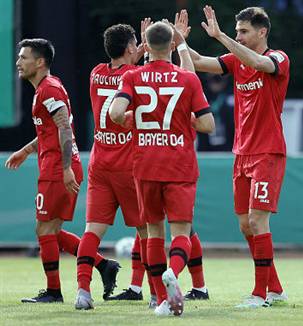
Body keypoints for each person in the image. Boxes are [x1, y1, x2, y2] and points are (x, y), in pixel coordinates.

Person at [181, 6, 289, 308]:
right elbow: (199, 63)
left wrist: (221, 36)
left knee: (257, 221)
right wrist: (178, 42)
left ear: (262, 31)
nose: (239, 35)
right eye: (237, 30)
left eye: (244, 31)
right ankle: (276, 288)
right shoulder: (235, 61)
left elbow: (257, 61)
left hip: (268, 151)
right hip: (241, 153)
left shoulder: (278, 58)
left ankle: (260, 294)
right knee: (245, 225)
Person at [109, 21, 215, 316]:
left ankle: (160, 299)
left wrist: (131, 119)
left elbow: (116, 113)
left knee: (152, 234)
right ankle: (174, 273)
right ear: (171, 45)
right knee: (181, 232)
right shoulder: (188, 80)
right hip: (179, 165)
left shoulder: (132, 76)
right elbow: (208, 124)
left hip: (145, 165)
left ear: (146, 43)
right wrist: (188, 122)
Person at [5, 38, 118, 303]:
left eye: (24, 57)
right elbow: (52, 131)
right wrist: (26, 150)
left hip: (58, 169)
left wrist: (66, 168)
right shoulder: (45, 89)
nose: (18, 62)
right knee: (50, 231)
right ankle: (103, 265)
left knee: (44, 231)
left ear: (40, 62)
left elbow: (65, 130)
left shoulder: (49, 90)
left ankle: (54, 292)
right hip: (55, 166)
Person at [74, 21, 159, 310]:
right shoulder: (135, 76)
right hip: (129, 167)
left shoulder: (96, 73)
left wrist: (138, 52)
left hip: (99, 164)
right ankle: (155, 292)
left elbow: (123, 73)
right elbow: (144, 86)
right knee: (148, 231)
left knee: (91, 231)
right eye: (135, 43)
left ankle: (83, 292)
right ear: (130, 48)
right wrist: (150, 55)